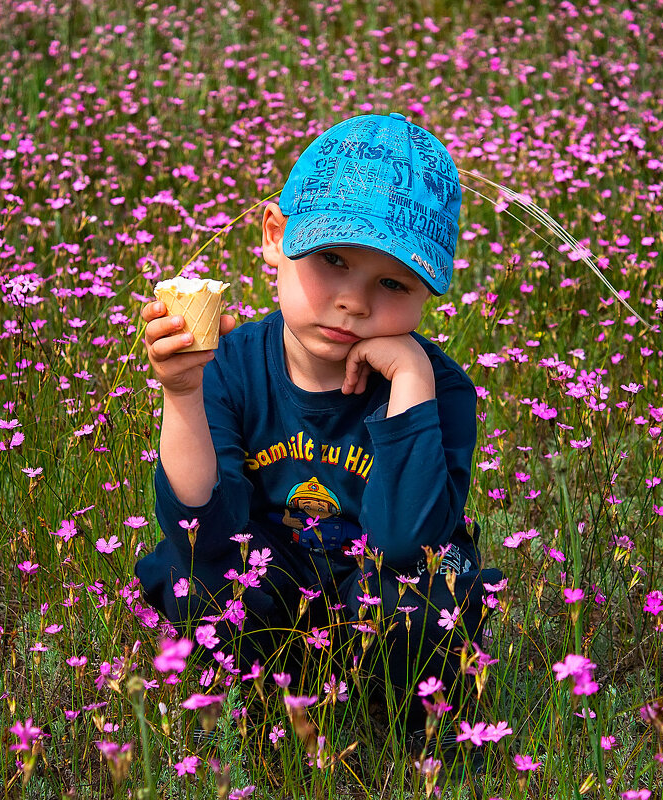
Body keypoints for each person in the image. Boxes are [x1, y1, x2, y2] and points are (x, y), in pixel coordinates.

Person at [134, 113, 504, 742]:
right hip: (273, 593)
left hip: (379, 601)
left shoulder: (441, 390)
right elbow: (205, 528)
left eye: (392, 282)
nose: (355, 301)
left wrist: (410, 378)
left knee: (427, 596)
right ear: (276, 235)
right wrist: (182, 393)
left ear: (427, 297)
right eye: (332, 259)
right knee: (194, 574)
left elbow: (409, 546)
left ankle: (413, 724)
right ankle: (257, 714)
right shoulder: (231, 366)